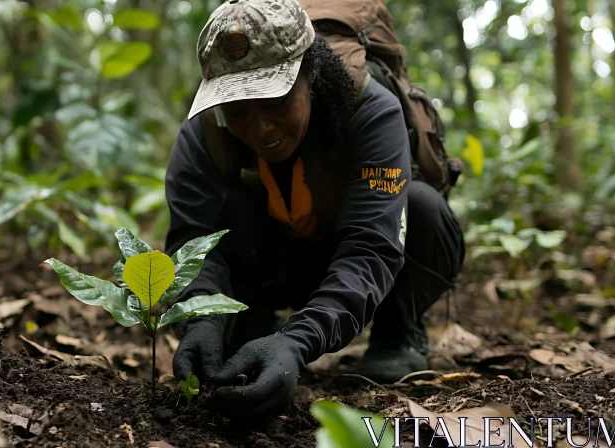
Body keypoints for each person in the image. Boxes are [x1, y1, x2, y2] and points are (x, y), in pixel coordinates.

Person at [164, 0, 465, 421]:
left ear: (312, 75)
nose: (260, 127)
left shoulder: (370, 110)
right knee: (225, 220)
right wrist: (200, 318)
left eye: (276, 101)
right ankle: (248, 326)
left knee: (422, 208)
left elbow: (371, 247)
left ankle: (399, 330)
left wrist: (298, 343)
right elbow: (193, 236)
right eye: (237, 109)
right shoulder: (206, 132)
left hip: (360, 262)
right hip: (278, 263)